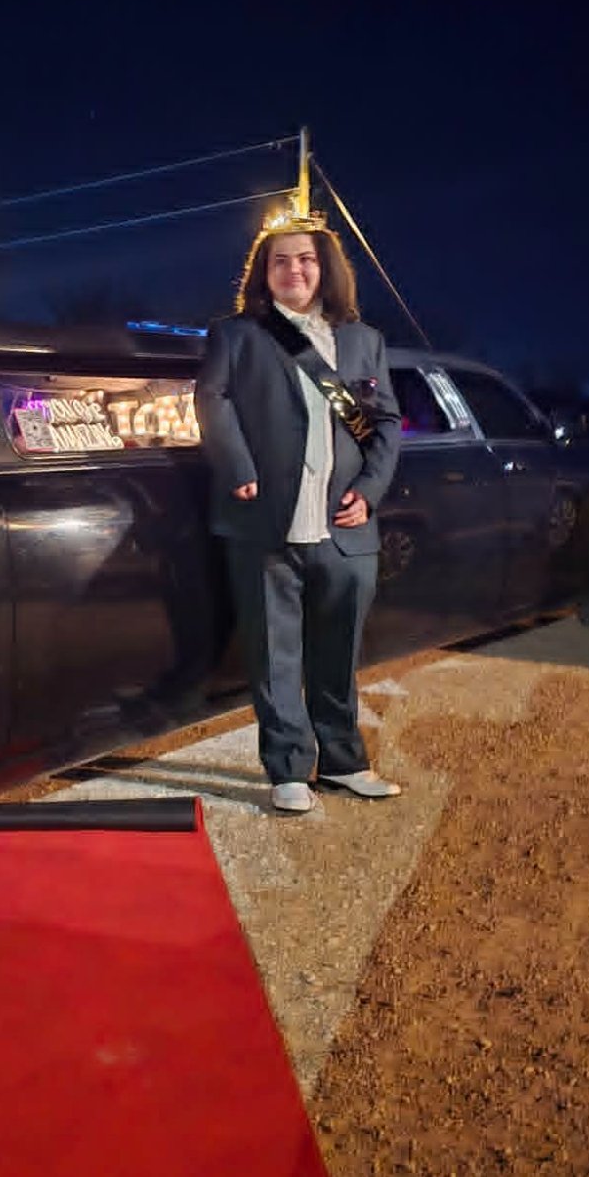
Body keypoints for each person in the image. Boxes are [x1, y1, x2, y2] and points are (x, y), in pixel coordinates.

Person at [194, 197, 403, 813]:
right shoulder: (237, 335)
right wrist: (238, 469)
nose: (294, 271)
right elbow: (212, 399)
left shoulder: (364, 341)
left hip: (346, 528)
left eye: (306, 260)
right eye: (280, 262)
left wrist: (368, 493)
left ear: (326, 268)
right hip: (265, 522)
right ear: (264, 273)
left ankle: (343, 763)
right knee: (274, 652)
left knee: (338, 655)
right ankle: (288, 768)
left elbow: (386, 423)